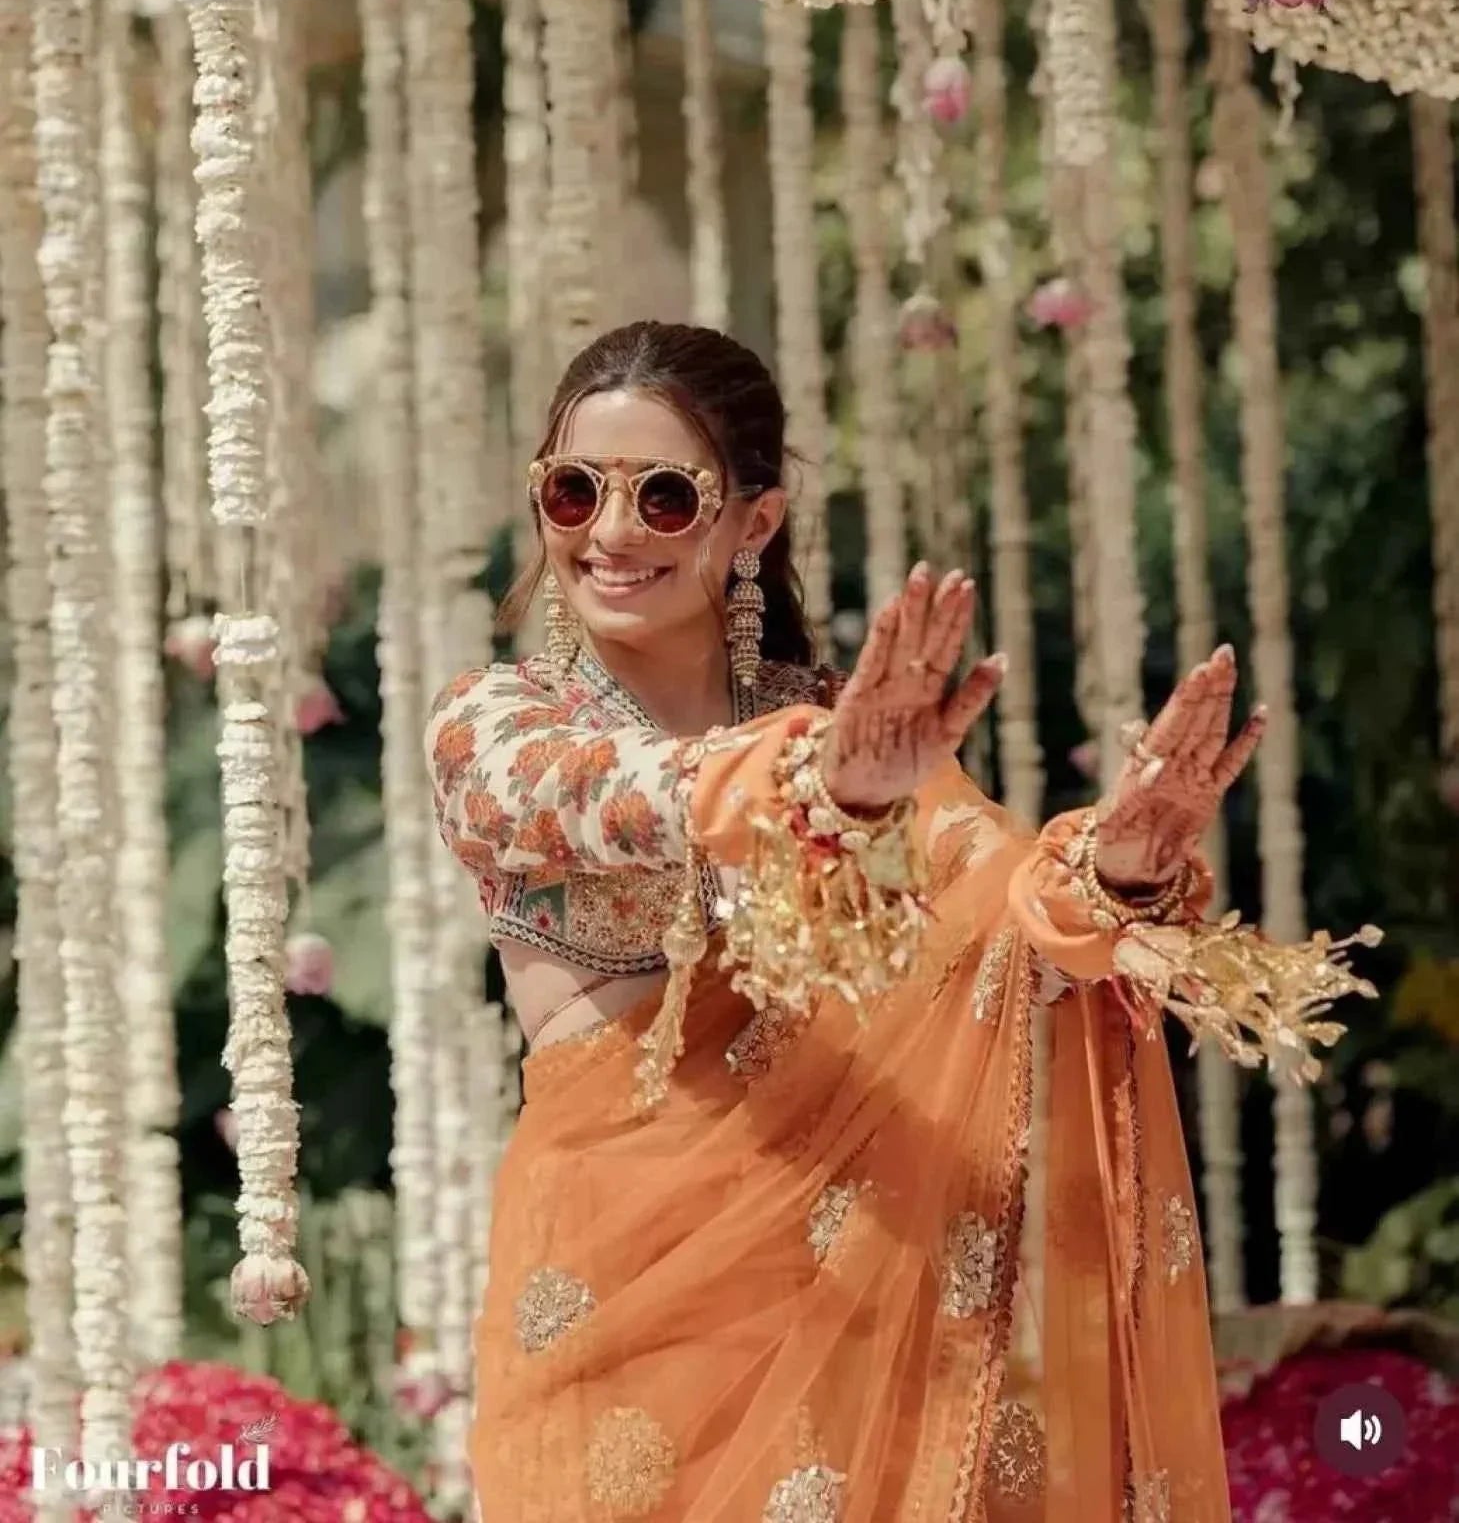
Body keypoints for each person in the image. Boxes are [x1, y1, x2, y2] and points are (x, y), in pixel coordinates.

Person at [424, 321, 1374, 1523]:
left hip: (843, 1293)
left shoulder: (848, 729)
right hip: (612, 1305)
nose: (608, 535)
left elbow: (1000, 905)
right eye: (572, 491)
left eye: (664, 498)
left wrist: (1119, 873)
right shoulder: (493, 724)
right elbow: (611, 795)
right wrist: (812, 791)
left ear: (752, 524)